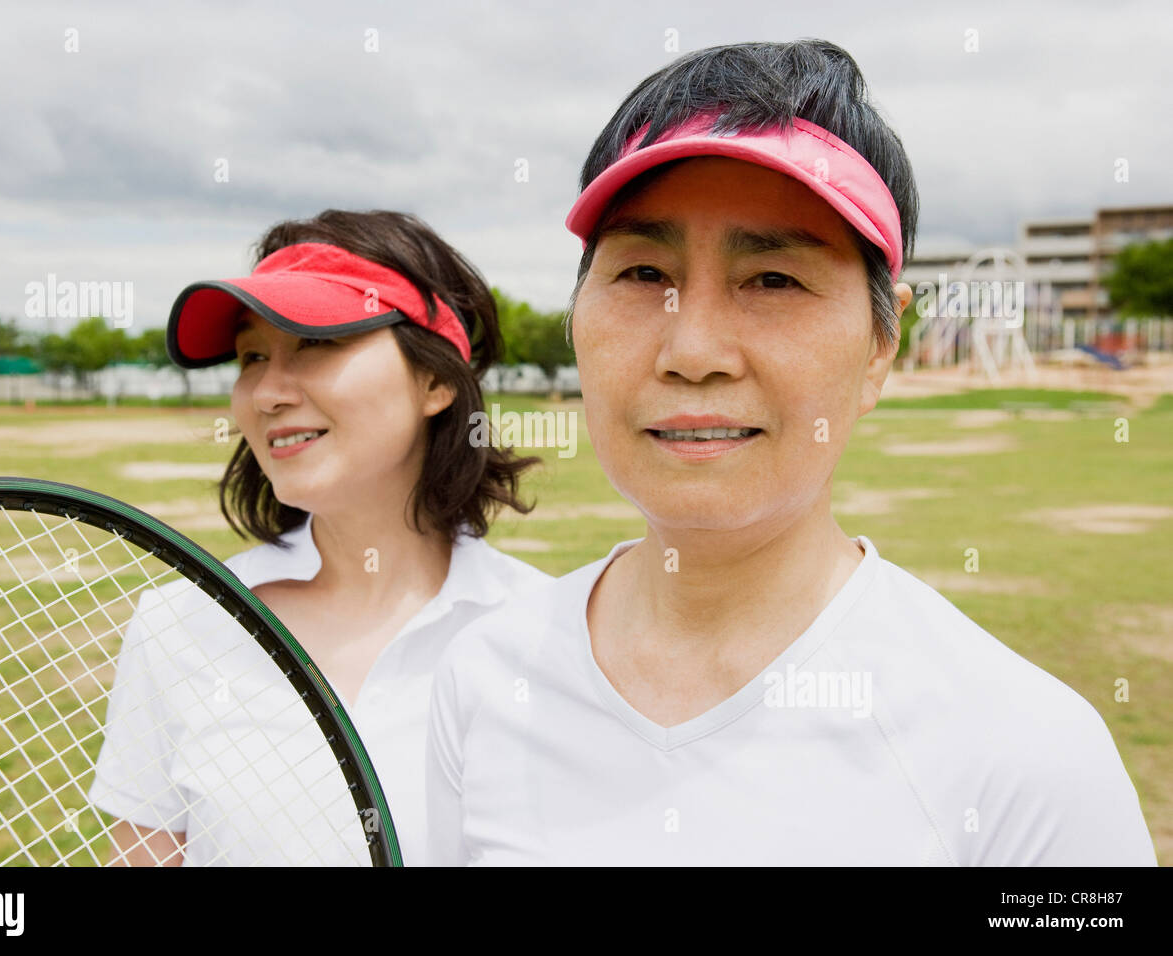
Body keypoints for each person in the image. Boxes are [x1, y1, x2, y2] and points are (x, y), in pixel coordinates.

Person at [425, 40, 1158, 865]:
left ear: (882, 342)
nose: (692, 349)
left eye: (773, 280)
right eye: (641, 273)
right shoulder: (486, 677)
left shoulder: (1027, 757)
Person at [89, 209, 551, 866]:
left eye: (317, 342)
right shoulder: (180, 625)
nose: (269, 393)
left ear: (437, 379)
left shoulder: (549, 638)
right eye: (252, 356)